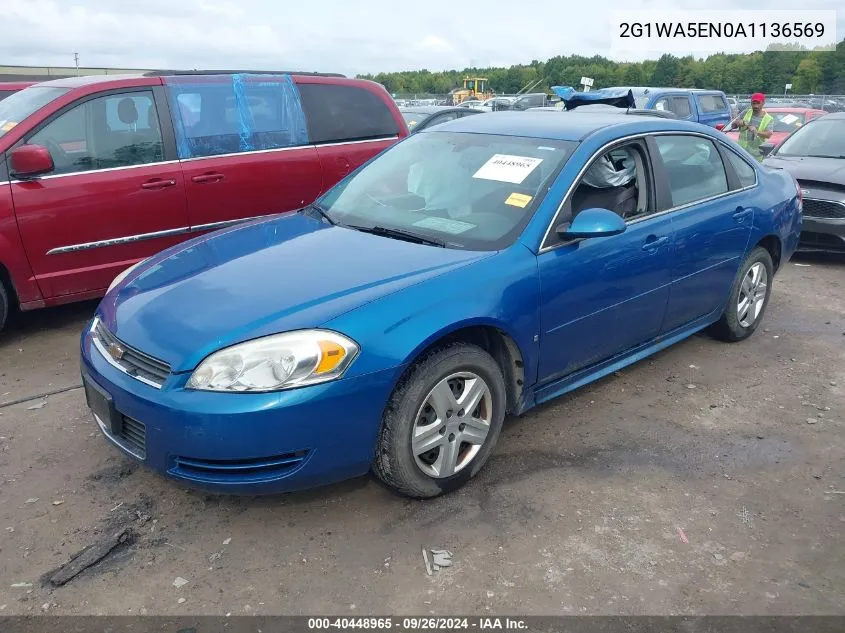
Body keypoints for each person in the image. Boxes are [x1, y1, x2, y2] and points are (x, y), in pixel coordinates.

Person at [733, 92, 774, 161]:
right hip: (742, 152)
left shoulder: (768, 118)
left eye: (758, 103)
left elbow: (769, 134)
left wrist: (756, 132)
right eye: (754, 103)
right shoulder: (746, 112)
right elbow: (733, 125)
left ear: (763, 103)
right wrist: (738, 123)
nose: (756, 106)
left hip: (756, 155)